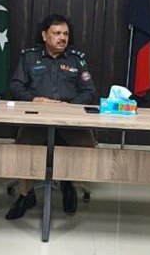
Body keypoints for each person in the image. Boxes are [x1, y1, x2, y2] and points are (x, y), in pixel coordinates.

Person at [5, 14, 96, 220]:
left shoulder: (76, 59)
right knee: (23, 149)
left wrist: (70, 106)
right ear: (45, 35)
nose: (62, 38)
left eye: (66, 34)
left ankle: (69, 185)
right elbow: (16, 85)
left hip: (70, 120)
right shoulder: (30, 57)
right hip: (37, 119)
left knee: (87, 148)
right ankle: (26, 194)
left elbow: (89, 90)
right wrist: (35, 99)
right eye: (57, 33)